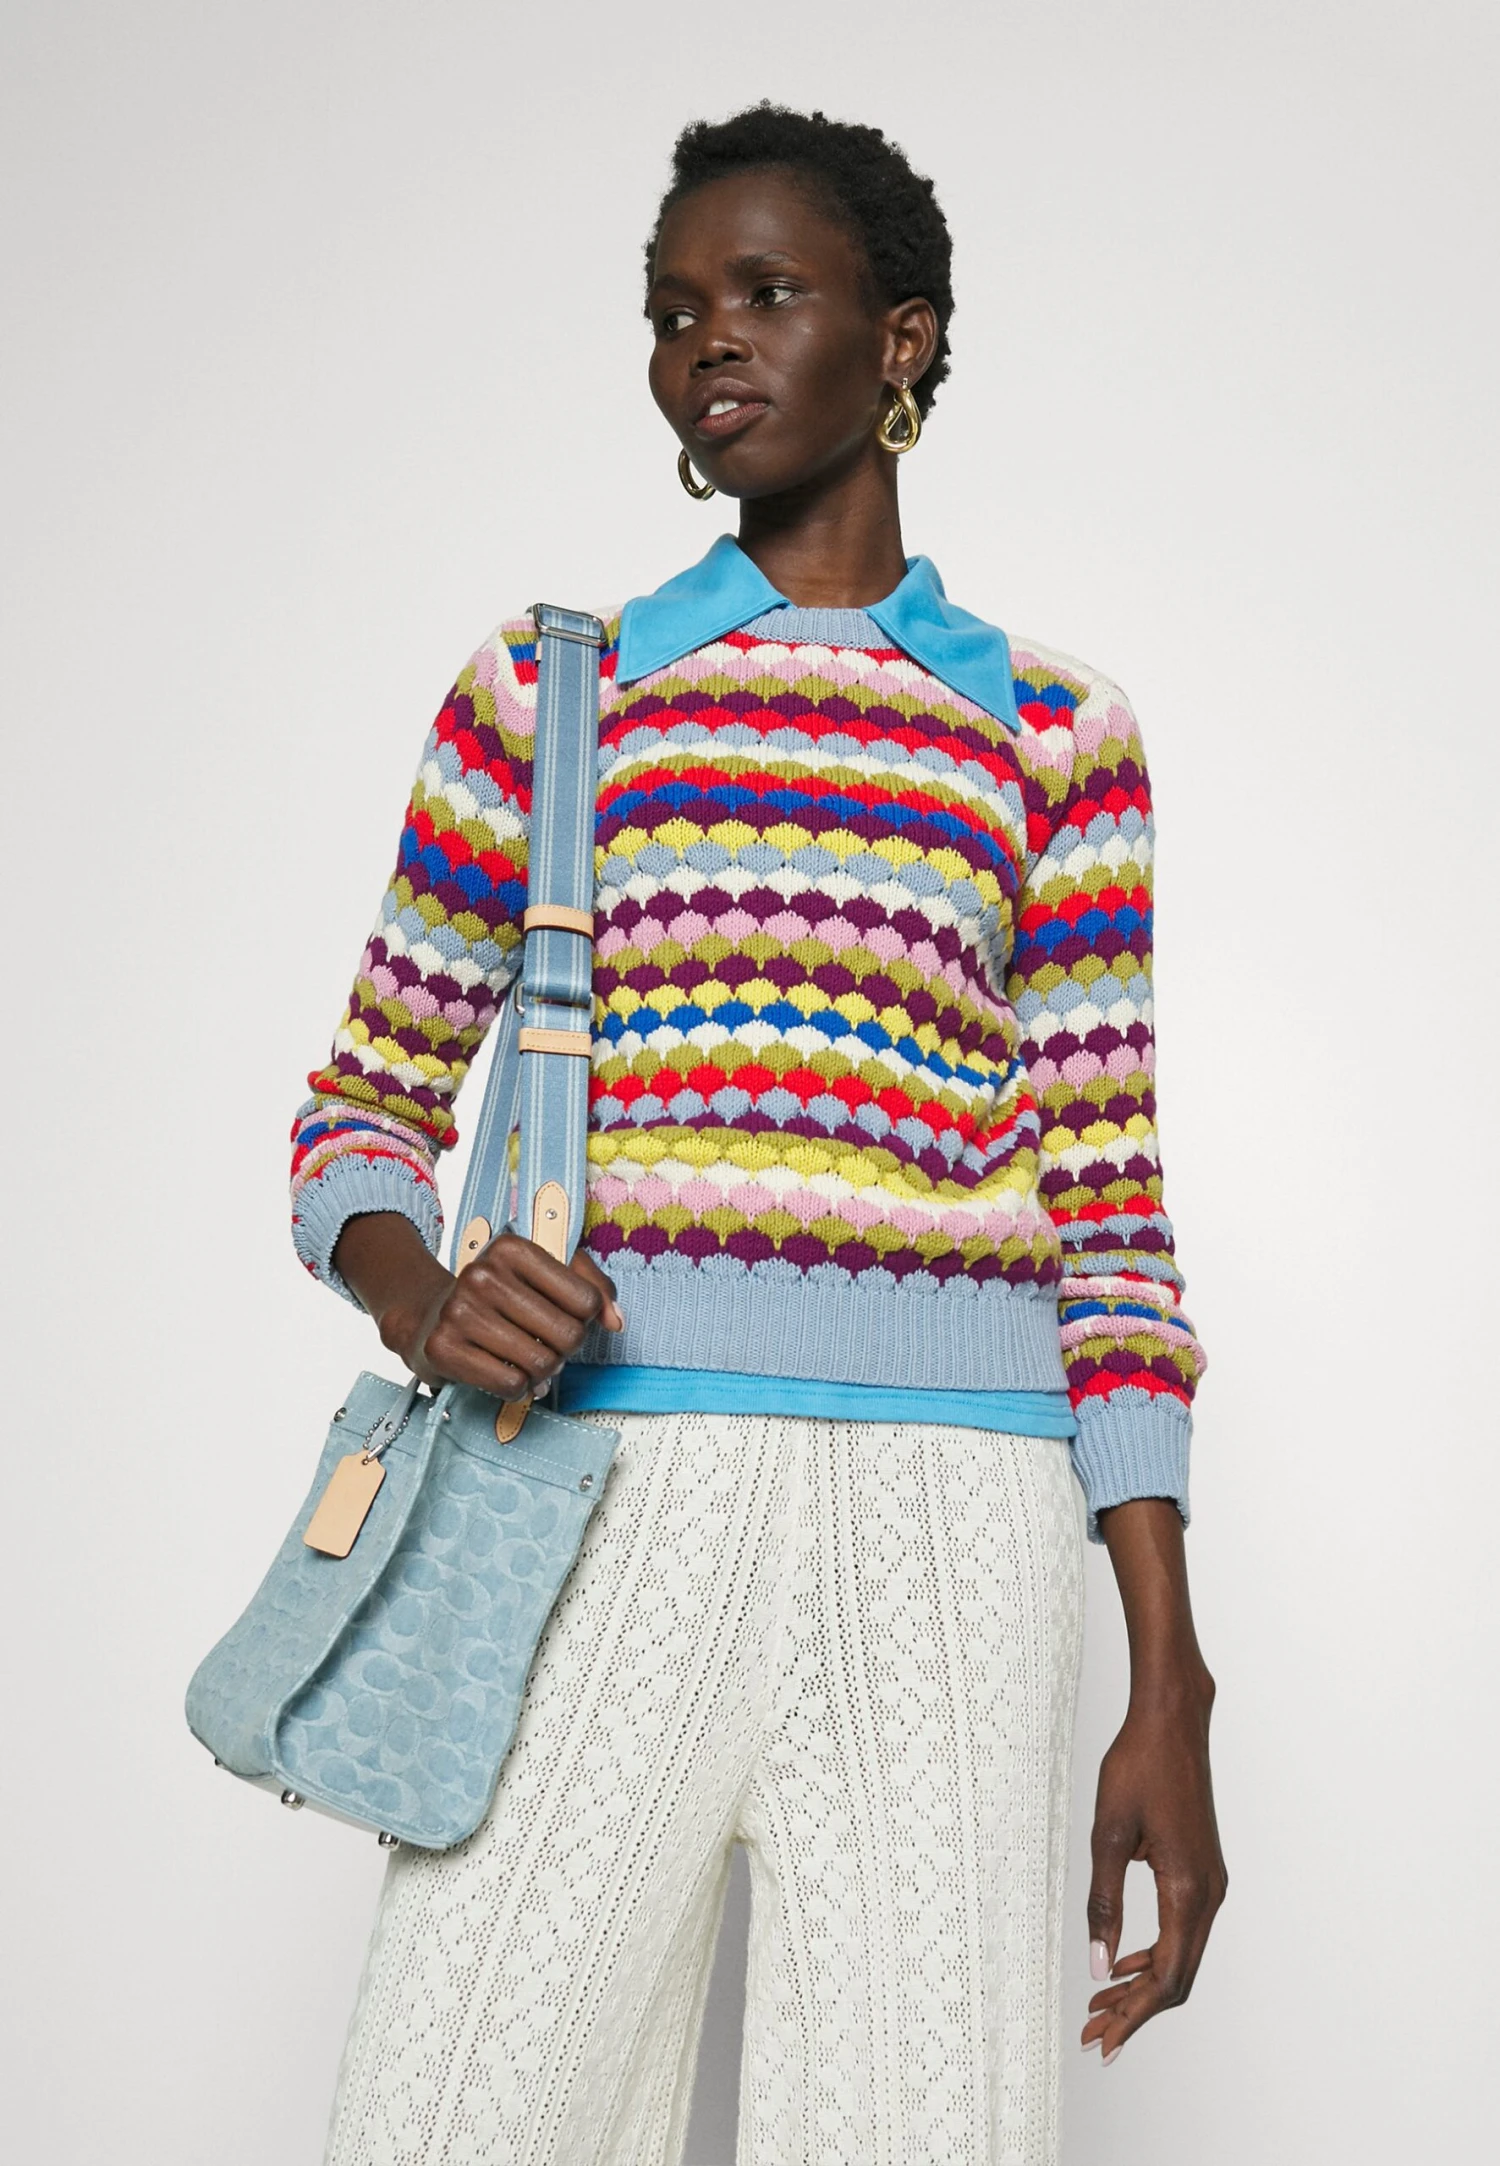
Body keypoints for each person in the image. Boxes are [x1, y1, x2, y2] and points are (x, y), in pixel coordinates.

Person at [292, 102, 1225, 2166]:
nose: (707, 339)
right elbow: (360, 1112)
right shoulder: (555, 696)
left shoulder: (1057, 730)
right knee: (449, 2119)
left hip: (962, 1526)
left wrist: (1170, 1676)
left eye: (766, 291)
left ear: (901, 339)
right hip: (603, 1487)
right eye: (671, 309)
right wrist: (423, 1294)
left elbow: (1111, 1212)